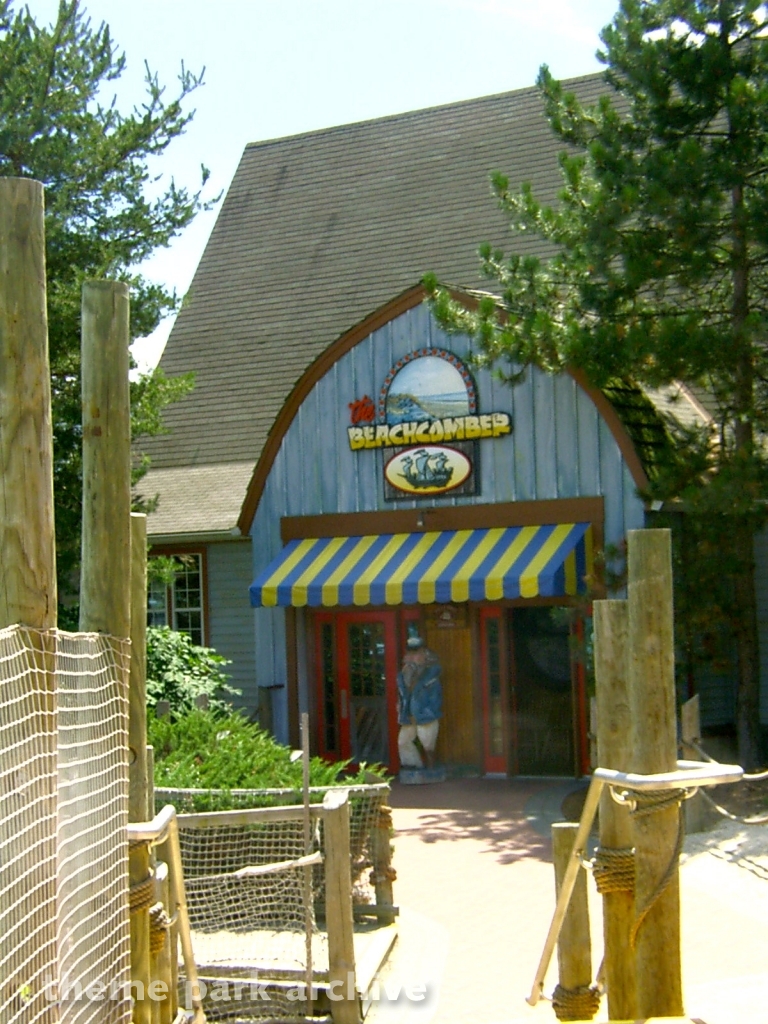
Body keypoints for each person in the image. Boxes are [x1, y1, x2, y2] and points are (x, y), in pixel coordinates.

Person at [397, 635, 442, 770]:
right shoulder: (403, 675)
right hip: (408, 716)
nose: (411, 657)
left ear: (424, 655)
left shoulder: (431, 676)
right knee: (403, 742)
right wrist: (402, 709)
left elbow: (436, 698)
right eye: (409, 653)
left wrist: (426, 713)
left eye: (416, 653)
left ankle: (431, 771)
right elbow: (403, 695)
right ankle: (413, 766)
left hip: (426, 716)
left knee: (428, 745)